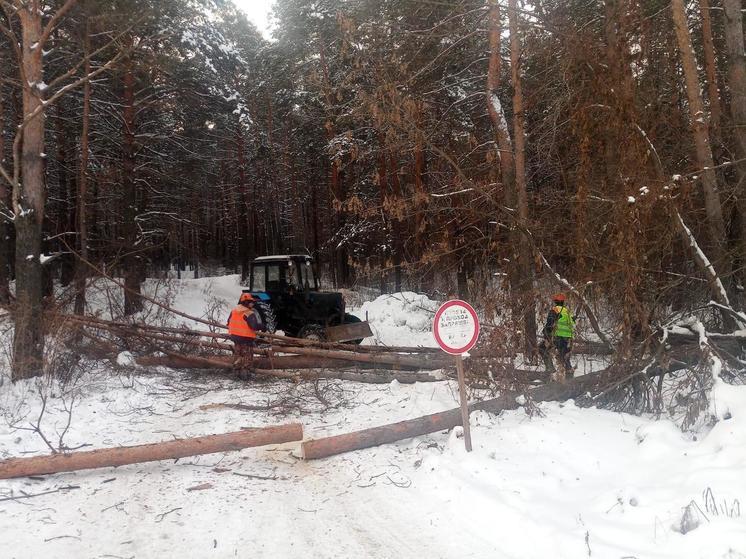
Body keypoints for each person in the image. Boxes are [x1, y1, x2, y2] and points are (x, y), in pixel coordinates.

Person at [227, 292, 264, 379]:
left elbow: (229, 322)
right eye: (251, 302)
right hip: (246, 338)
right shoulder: (249, 313)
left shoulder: (234, 311)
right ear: (246, 302)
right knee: (247, 356)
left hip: (235, 337)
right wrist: (262, 326)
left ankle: (236, 372)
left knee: (238, 354)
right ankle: (245, 373)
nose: (253, 304)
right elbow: (254, 326)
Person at [540, 293, 576, 382]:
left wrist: (546, 334)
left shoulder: (555, 310)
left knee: (542, 348)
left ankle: (550, 370)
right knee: (564, 355)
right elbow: (572, 324)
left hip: (557, 336)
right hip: (568, 337)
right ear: (563, 302)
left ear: (555, 301)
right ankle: (569, 375)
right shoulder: (568, 312)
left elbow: (550, 324)